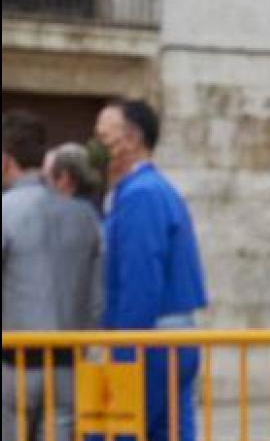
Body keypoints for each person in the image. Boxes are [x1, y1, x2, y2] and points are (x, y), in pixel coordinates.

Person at [95, 99, 207, 441]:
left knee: (120, 431)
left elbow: (140, 280)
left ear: (130, 139)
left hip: (151, 341)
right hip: (170, 339)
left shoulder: (140, 195)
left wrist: (125, 350)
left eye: (103, 137)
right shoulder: (154, 189)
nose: (96, 146)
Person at [2, 110, 102, 441]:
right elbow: (97, 297)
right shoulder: (83, 216)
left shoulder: (6, 211)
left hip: (13, 362)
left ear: (5, 161)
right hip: (69, 362)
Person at [44, 142, 106, 214]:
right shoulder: (94, 204)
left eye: (54, 176)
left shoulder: (72, 211)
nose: (48, 184)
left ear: (65, 177)